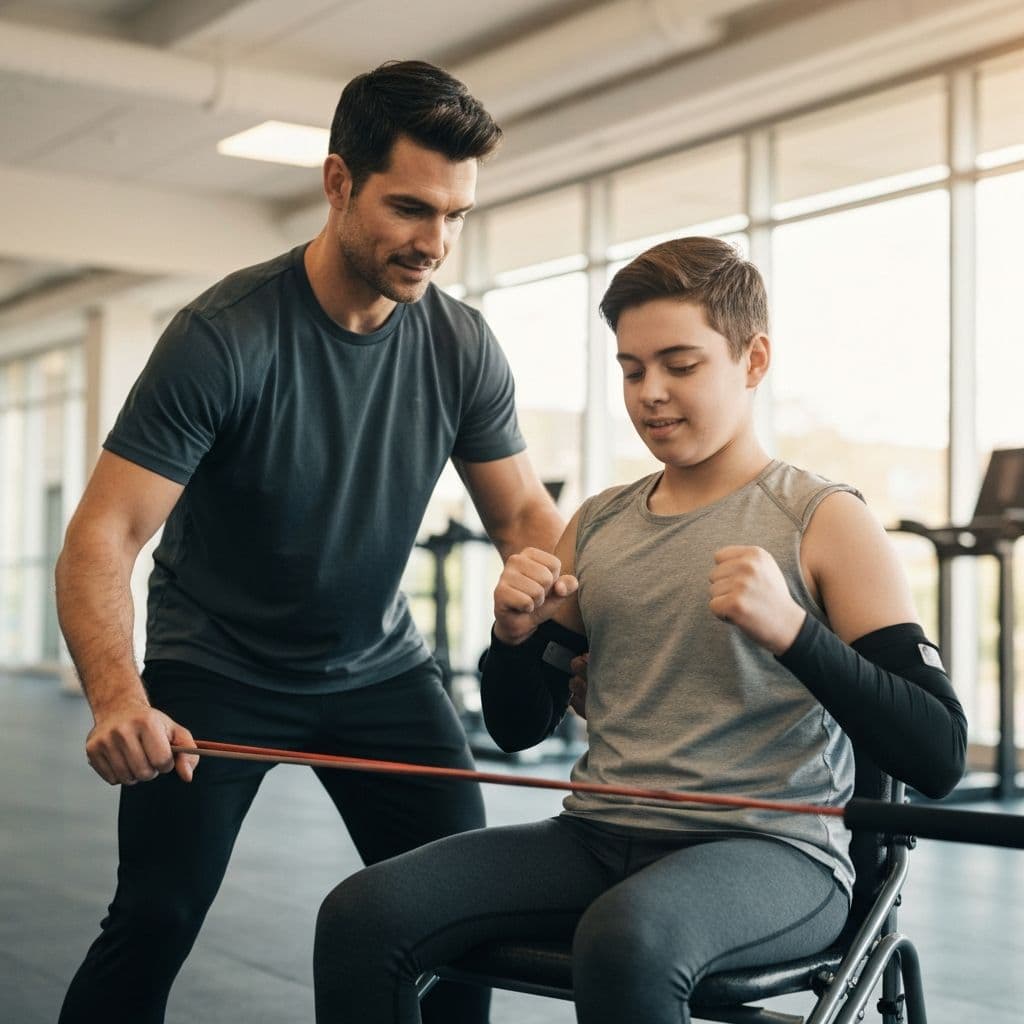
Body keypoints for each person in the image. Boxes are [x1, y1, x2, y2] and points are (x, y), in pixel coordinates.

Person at [312, 236, 968, 1024]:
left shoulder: (824, 521)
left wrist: (795, 633)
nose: (650, 393)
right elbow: (520, 727)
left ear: (753, 360)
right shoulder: (597, 525)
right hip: (595, 837)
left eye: (680, 365)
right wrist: (513, 637)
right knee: (360, 915)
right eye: (631, 369)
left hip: (772, 858)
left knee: (627, 938)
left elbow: (939, 753)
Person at [55, 60, 563, 1024]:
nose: (435, 242)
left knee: (467, 919)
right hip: (219, 669)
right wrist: (119, 699)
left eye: (455, 215)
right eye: (411, 208)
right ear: (337, 183)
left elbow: (526, 519)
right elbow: (104, 534)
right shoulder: (225, 336)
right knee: (155, 917)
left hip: (377, 669)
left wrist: (586, 626)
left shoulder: (459, 344)